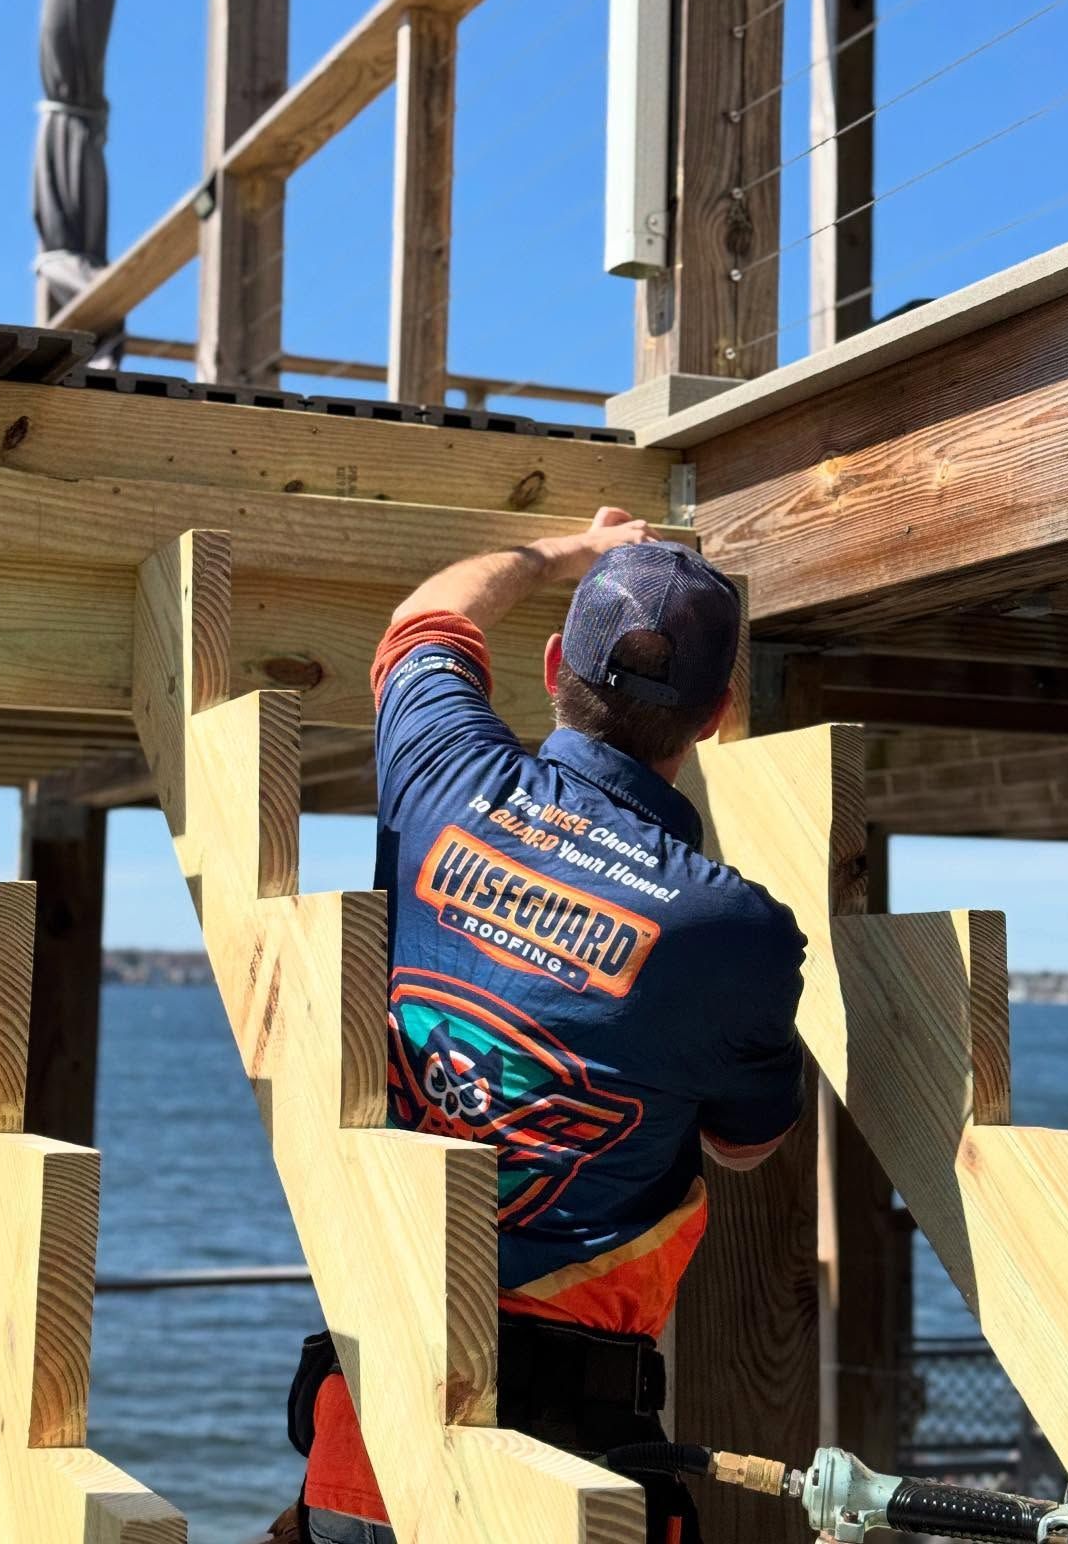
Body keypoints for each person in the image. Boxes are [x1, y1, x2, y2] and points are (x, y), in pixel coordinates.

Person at [291, 507, 808, 1544]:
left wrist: (567, 549)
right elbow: (745, 1145)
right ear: (717, 715)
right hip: (569, 1469)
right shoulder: (734, 930)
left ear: (552, 667)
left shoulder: (443, 772)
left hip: (368, 1448)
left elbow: (428, 616)